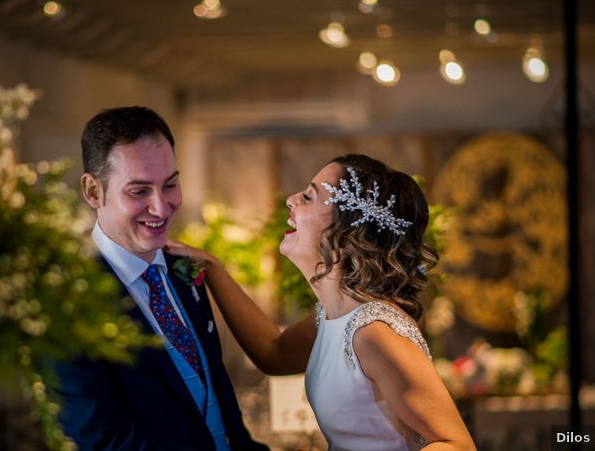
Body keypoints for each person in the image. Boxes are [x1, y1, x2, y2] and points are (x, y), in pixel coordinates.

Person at [167, 154, 476, 451]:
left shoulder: (374, 333)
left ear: (346, 231)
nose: (291, 199)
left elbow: (457, 444)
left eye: (309, 197)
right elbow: (273, 353)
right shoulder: (330, 317)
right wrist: (214, 269)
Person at [52, 106, 267, 450]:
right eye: (139, 191)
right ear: (93, 192)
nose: (161, 207)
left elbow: (220, 409)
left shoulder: (184, 269)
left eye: (170, 185)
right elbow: (104, 440)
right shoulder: (67, 302)